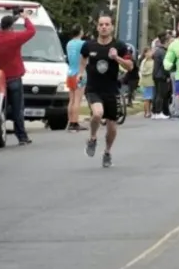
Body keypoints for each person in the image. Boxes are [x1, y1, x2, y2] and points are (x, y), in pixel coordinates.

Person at [79, 14, 133, 168]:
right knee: (97, 113)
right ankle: (93, 138)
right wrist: (80, 73)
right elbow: (83, 59)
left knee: (111, 125)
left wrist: (117, 58)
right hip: (93, 88)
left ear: (112, 27)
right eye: (101, 24)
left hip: (111, 89)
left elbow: (130, 66)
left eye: (107, 24)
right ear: (97, 27)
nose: (104, 27)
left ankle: (107, 152)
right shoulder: (89, 45)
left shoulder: (120, 46)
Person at [0, 9, 36, 145]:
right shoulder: (14, 38)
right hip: (14, 77)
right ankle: (21, 136)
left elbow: (2, 29)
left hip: (0, 78)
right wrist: (25, 18)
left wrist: (14, 18)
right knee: (17, 110)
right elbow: (31, 31)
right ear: (11, 27)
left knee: (0, 109)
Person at [65, 26, 86, 132]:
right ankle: (75, 122)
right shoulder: (83, 44)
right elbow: (85, 58)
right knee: (78, 99)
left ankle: (70, 121)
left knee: (71, 99)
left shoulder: (69, 44)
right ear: (80, 32)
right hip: (79, 72)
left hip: (70, 72)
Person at [151, 32, 172, 119]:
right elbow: (165, 65)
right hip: (161, 75)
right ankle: (159, 112)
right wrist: (167, 76)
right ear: (166, 42)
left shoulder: (157, 50)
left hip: (156, 74)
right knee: (161, 94)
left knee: (156, 94)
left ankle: (155, 112)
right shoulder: (163, 51)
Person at [139, 47, 155, 119]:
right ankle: (147, 112)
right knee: (147, 98)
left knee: (150, 98)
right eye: (149, 52)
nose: (150, 53)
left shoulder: (153, 61)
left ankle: (149, 111)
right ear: (145, 53)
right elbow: (143, 71)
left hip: (152, 82)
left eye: (151, 52)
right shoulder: (144, 62)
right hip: (147, 82)